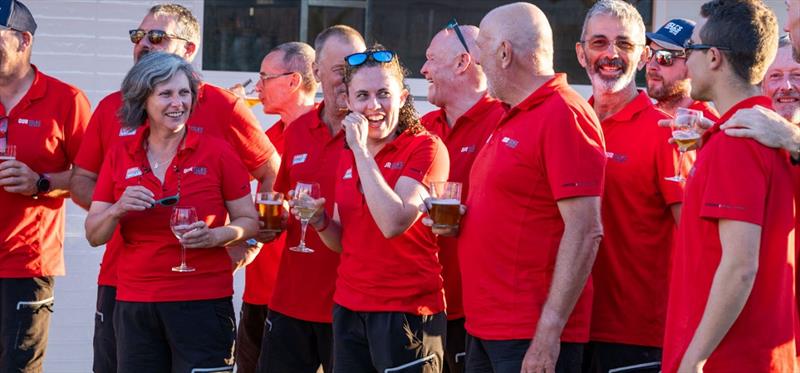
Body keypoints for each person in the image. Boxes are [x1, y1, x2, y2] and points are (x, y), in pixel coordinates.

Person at [68, 4, 279, 372]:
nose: (144, 44)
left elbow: (271, 170)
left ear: (189, 50)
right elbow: (84, 184)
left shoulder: (222, 109)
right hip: (126, 282)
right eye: (138, 36)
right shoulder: (112, 113)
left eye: (157, 37)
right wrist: (117, 207)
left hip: (199, 290)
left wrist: (248, 243)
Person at [452, 3, 606, 372]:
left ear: (504, 53)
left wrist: (548, 334)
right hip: (489, 327)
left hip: (528, 334)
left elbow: (585, 231)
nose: (478, 62)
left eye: (482, 50)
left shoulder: (563, 114)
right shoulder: (514, 112)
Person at [661, 1, 796, 372]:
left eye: (691, 50)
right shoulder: (768, 135)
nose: (686, 62)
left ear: (715, 57)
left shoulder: (738, 141)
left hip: (729, 360)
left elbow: (740, 267)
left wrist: (693, 359)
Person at [301, 47, 449, 372]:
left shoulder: (425, 147)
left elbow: (393, 222)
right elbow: (344, 242)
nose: (374, 106)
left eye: (384, 94)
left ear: (403, 97)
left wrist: (361, 151)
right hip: (349, 308)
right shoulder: (349, 153)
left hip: (408, 311)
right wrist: (320, 220)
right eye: (363, 96)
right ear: (348, 103)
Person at [575, 1, 686, 371]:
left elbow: (696, 240)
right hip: (565, 327)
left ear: (642, 57)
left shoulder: (664, 132)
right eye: (599, 42)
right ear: (580, 53)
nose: (611, 54)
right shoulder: (568, 124)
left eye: (624, 44)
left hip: (637, 338)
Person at [256, 25, 365, 373]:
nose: (350, 80)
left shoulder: (374, 134)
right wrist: (263, 227)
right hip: (289, 303)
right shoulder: (298, 131)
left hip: (350, 305)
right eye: (339, 70)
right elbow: (282, 202)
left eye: (356, 68)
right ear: (316, 71)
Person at [0, 0, 91, 370]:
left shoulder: (66, 100)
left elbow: (92, 179)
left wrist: (40, 181)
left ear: (23, 41)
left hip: (26, 264)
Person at [419, 22, 504, 373]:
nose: (423, 69)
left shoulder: (506, 120)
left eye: (430, 59)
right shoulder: (421, 128)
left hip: (481, 315)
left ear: (461, 63)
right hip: (421, 308)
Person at [234, 41, 317, 373]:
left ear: (293, 81)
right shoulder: (266, 136)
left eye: (265, 77)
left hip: (301, 301)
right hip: (257, 292)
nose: (257, 86)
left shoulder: (327, 134)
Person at [646, 18, 719, 120]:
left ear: (692, 64)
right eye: (649, 54)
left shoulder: (708, 127)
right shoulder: (642, 118)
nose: (651, 66)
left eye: (664, 57)